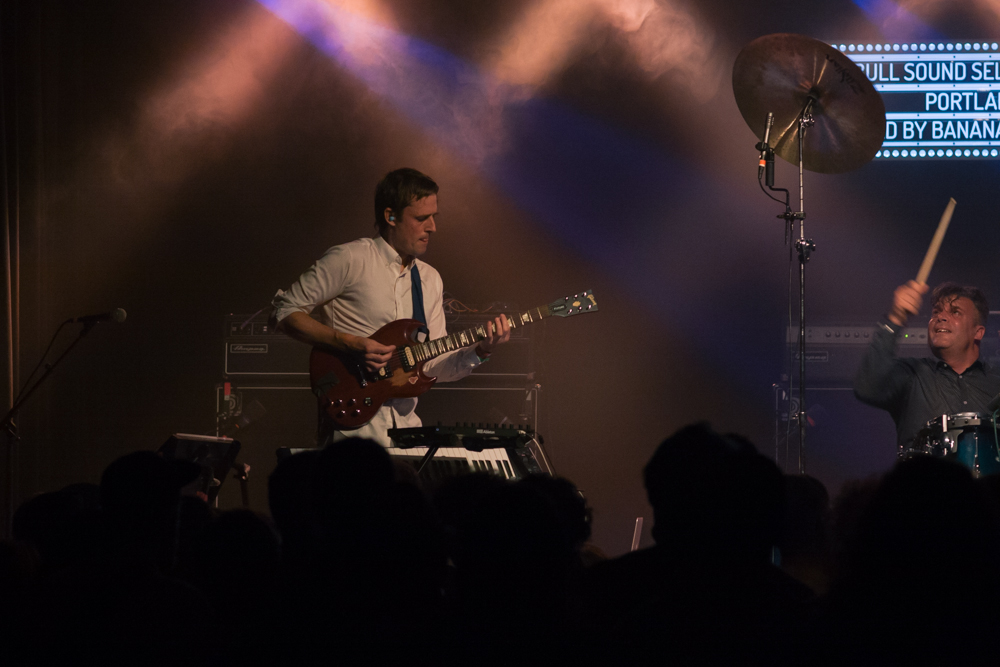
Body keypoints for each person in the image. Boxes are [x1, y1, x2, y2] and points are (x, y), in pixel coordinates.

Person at [271, 168, 510, 447]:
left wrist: (481, 350)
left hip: (407, 434)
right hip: (351, 435)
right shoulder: (350, 259)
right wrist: (349, 343)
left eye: (434, 217)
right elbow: (284, 311)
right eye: (422, 218)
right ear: (390, 216)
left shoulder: (430, 279)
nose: (432, 227)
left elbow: (434, 366)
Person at [854, 280, 1000, 450]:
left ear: (978, 332)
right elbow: (867, 387)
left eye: (955, 312)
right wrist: (896, 316)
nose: (941, 317)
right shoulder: (912, 374)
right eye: (936, 312)